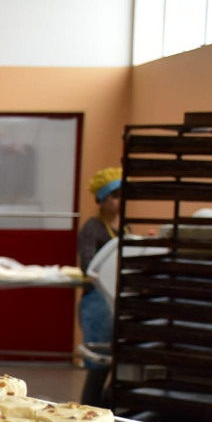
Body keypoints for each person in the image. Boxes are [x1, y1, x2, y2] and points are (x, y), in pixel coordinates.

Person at [77, 166, 122, 407]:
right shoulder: (92, 228)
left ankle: (103, 411)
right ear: (102, 200)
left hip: (116, 303)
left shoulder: (124, 228)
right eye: (114, 196)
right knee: (98, 368)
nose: (119, 201)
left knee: (114, 367)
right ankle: (88, 412)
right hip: (98, 304)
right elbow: (88, 265)